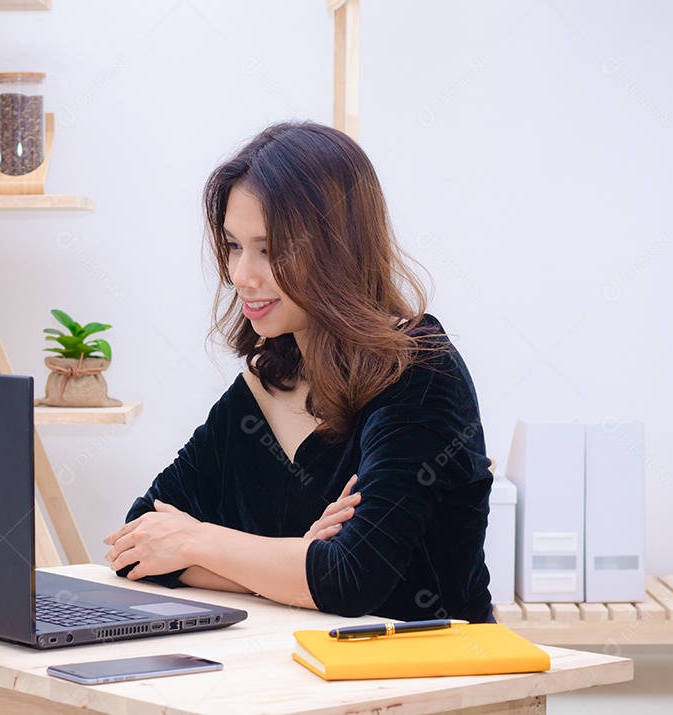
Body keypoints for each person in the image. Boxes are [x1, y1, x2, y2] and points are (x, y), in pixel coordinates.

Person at [104, 122, 494, 623]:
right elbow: (137, 542)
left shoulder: (420, 372)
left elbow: (352, 580)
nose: (242, 274)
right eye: (233, 246)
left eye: (268, 250)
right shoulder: (263, 386)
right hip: (304, 677)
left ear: (337, 248)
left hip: (438, 682)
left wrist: (200, 542)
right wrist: (297, 566)